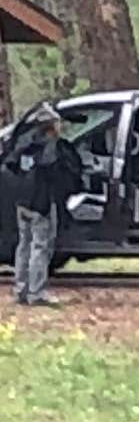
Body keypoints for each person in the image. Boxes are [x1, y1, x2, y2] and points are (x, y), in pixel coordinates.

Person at [9, 110, 67, 304]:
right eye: (58, 123)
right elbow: (53, 170)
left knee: (23, 244)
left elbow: (11, 163)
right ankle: (37, 292)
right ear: (51, 126)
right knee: (40, 246)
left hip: (22, 201)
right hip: (40, 202)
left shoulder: (24, 143)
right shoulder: (50, 145)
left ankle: (21, 289)